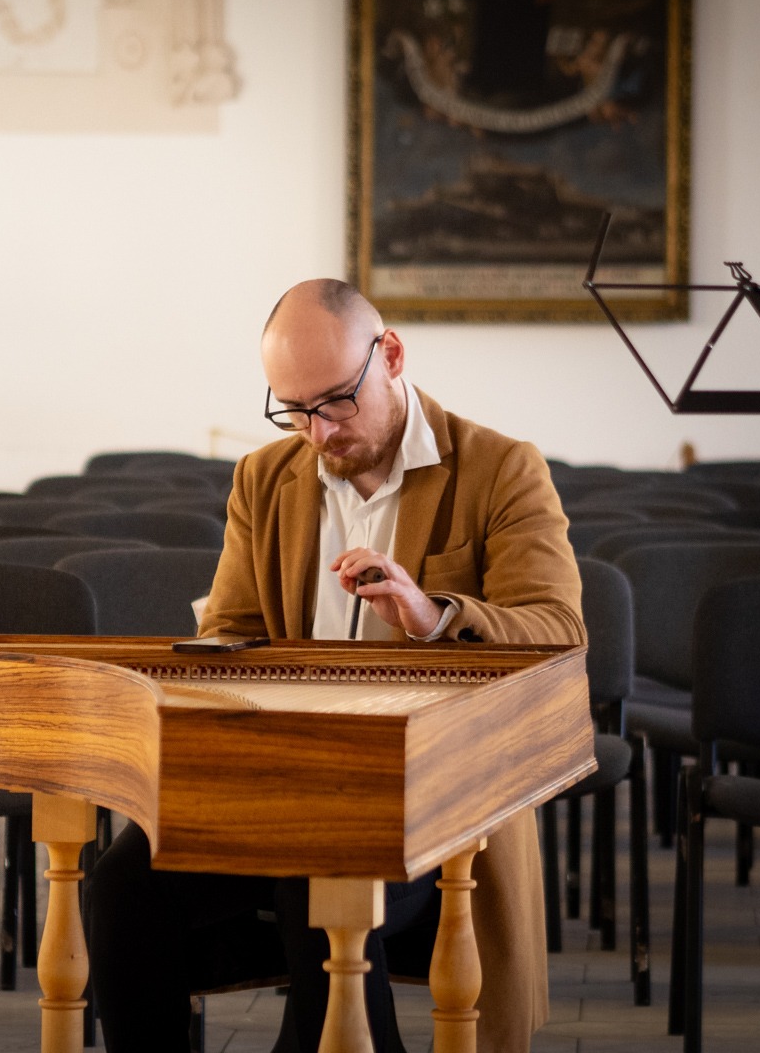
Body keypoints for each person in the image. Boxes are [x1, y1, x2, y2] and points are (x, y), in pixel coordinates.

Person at [87, 279, 584, 1053]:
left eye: (336, 402)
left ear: (392, 356)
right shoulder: (263, 478)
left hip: (436, 804)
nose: (318, 431)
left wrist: (432, 616)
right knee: (119, 887)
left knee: (315, 874)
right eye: (294, 409)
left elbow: (559, 633)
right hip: (283, 787)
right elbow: (232, 630)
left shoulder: (500, 469)